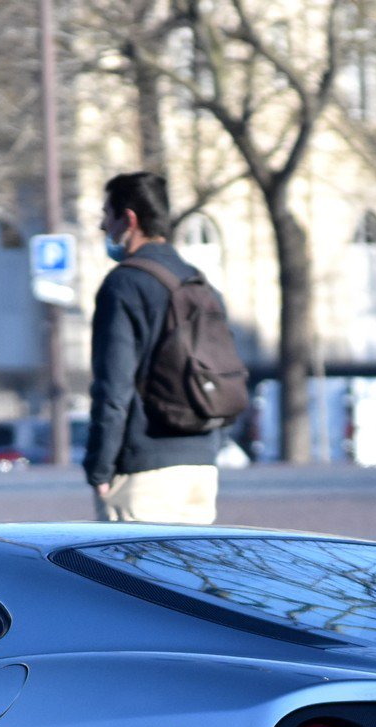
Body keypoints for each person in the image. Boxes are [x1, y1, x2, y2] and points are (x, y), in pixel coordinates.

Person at [85, 171, 232, 524]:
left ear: (129, 219)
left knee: (125, 579)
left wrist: (100, 469)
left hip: (144, 471)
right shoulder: (200, 283)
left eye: (107, 215)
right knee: (187, 579)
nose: (104, 228)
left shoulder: (123, 285)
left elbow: (114, 389)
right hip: (202, 468)